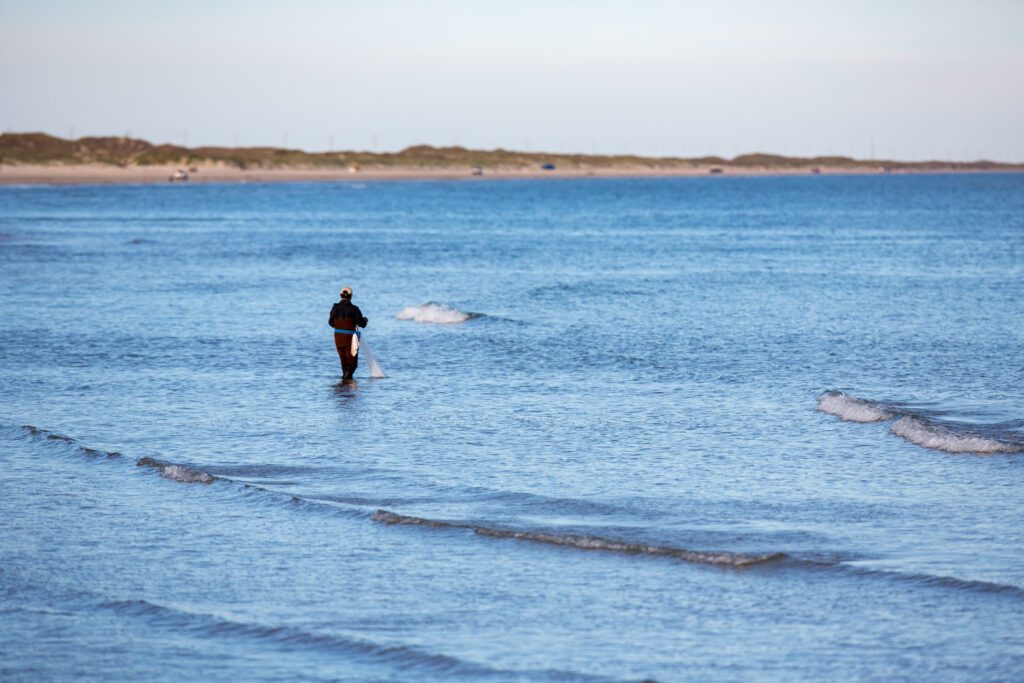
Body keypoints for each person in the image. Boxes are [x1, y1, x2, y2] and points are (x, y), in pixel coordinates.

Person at [329, 286, 368, 380]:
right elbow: (361, 324)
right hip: (350, 340)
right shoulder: (354, 309)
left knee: (344, 363)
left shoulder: (335, 307)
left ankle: (344, 387)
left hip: (338, 339)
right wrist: (365, 320)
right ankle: (346, 382)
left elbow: (330, 323)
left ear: (340, 295)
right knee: (353, 364)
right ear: (351, 296)